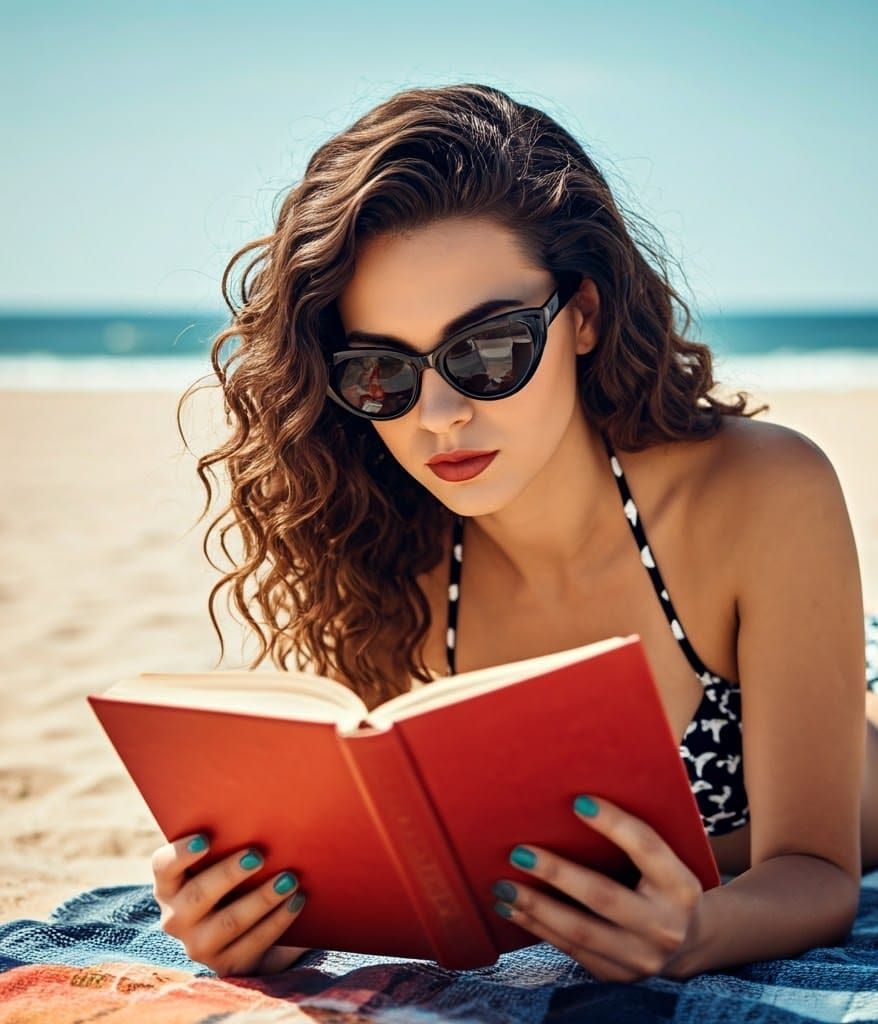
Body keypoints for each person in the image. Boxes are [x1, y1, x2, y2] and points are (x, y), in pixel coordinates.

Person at [151, 82, 878, 982]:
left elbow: (818, 874)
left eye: (488, 350)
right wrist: (274, 913)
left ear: (583, 316)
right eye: (382, 372)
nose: (439, 415)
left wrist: (696, 935)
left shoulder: (758, 494)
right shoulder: (394, 565)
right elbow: (411, 864)